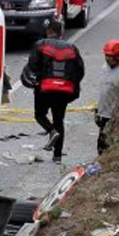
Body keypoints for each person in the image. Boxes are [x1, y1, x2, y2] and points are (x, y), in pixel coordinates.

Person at [21, 21, 85, 163]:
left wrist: (34, 82)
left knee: (40, 115)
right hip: (64, 91)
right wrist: (72, 89)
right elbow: (80, 71)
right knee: (59, 120)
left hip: (44, 89)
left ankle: (51, 131)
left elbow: (32, 66)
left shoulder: (41, 45)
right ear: (61, 32)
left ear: (48, 30)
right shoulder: (72, 48)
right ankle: (57, 156)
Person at [95, 39, 119, 154]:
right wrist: (98, 111)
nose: (108, 58)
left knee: (109, 144)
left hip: (114, 114)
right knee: (101, 144)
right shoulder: (105, 68)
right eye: (106, 55)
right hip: (103, 112)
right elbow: (103, 91)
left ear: (118, 56)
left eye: (111, 56)